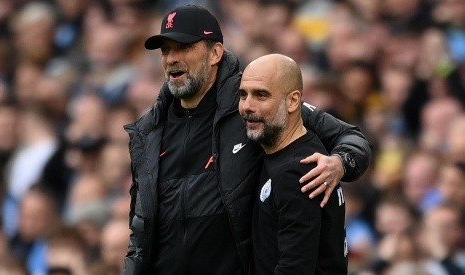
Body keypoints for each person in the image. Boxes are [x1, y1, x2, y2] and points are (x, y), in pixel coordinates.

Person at [123, 5, 371, 275]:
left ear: (215, 53)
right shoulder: (149, 130)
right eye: (166, 50)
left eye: (183, 48)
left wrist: (339, 163)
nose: (171, 58)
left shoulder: (254, 99)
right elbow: (141, 230)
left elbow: (349, 136)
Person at [239, 53, 347, 274]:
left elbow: (294, 268)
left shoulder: (298, 172)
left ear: (293, 101)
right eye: (243, 95)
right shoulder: (294, 150)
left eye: (261, 95)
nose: (247, 106)